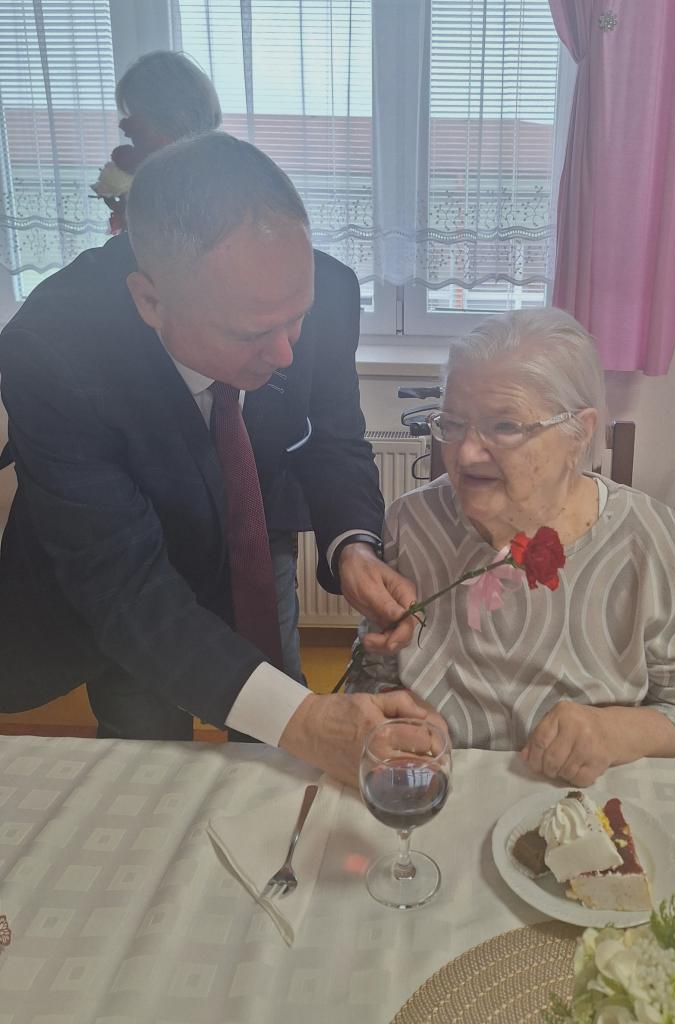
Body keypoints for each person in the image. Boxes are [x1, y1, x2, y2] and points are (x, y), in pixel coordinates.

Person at [0, 131, 440, 787]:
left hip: (254, 524)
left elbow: (332, 438)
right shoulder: (53, 351)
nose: (286, 354)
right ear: (151, 301)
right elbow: (126, 590)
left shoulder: (323, 291)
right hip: (126, 568)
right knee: (147, 752)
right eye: (252, 332)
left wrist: (354, 547)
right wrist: (305, 721)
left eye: (296, 319)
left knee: (278, 730)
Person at [349, 308, 675, 784]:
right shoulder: (411, 523)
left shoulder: (653, 543)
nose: (465, 453)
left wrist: (619, 731)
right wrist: (393, 717)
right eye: (453, 423)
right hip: (440, 787)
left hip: (586, 807)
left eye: (505, 426)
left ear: (579, 433)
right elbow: (372, 674)